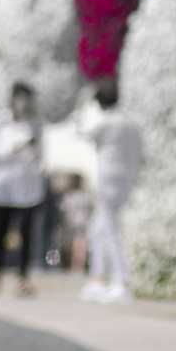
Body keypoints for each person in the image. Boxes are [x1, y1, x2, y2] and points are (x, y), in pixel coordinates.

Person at [72, 80, 141, 303]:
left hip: (108, 181)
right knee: (98, 229)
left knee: (110, 230)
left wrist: (81, 109)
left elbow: (82, 132)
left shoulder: (106, 123)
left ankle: (121, 281)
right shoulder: (130, 123)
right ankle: (97, 279)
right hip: (126, 181)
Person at [0, 81, 45, 296]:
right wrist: (13, 149)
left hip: (27, 189)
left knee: (26, 235)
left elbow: (41, 155)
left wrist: (33, 154)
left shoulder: (35, 124)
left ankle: (23, 278)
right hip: (2, 188)